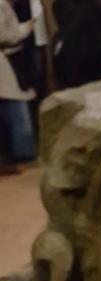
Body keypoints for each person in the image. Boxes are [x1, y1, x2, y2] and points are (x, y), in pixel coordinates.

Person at [0, 0, 36, 172]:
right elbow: (4, 35)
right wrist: (25, 28)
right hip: (5, 61)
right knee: (15, 106)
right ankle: (23, 153)